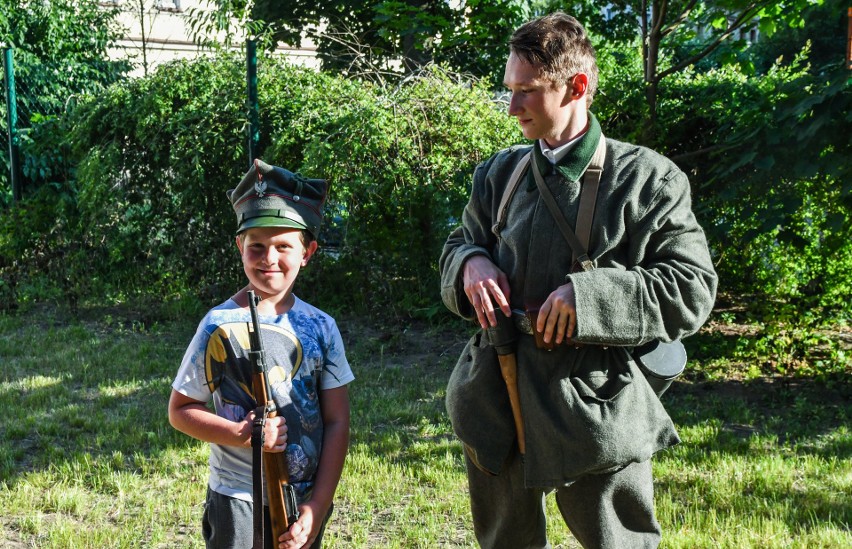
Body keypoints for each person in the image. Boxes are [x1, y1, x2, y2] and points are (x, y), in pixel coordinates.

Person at [440, 12, 717, 549]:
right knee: (504, 541)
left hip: (595, 399)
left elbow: (691, 288)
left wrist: (587, 296)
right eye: (508, 90)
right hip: (497, 385)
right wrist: (471, 263)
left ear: (577, 86)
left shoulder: (649, 180)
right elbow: (458, 245)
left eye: (527, 92)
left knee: (620, 542)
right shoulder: (498, 174)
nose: (511, 106)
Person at [169, 159, 354, 549]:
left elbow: (337, 422)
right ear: (240, 247)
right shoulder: (218, 325)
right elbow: (181, 411)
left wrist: (317, 507)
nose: (269, 258)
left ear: (308, 252)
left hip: (301, 502)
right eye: (257, 246)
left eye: (283, 246)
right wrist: (242, 433)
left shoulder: (322, 327)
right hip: (237, 500)